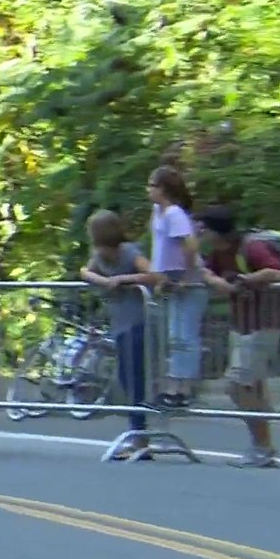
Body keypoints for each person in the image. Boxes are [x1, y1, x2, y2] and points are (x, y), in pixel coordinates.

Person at [199, 207, 280, 468]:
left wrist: (247, 279)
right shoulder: (218, 253)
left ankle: (263, 447)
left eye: (203, 228)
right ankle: (260, 447)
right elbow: (205, 272)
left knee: (237, 385)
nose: (200, 233)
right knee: (252, 386)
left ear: (216, 230)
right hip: (241, 326)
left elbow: (279, 273)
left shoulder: (251, 247)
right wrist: (215, 281)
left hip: (262, 325)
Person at [79, 210, 161, 457]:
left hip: (137, 322)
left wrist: (123, 279)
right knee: (126, 379)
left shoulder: (128, 252)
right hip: (120, 324)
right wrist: (103, 282)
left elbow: (153, 275)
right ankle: (137, 435)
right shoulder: (99, 256)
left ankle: (139, 436)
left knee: (136, 380)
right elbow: (85, 271)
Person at [147, 165, 205, 408]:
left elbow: (190, 245)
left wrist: (187, 277)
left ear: (163, 189)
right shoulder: (157, 212)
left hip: (185, 278)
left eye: (152, 185)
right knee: (173, 335)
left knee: (185, 335)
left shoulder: (174, 214)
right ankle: (173, 386)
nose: (148, 190)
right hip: (169, 278)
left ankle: (185, 388)